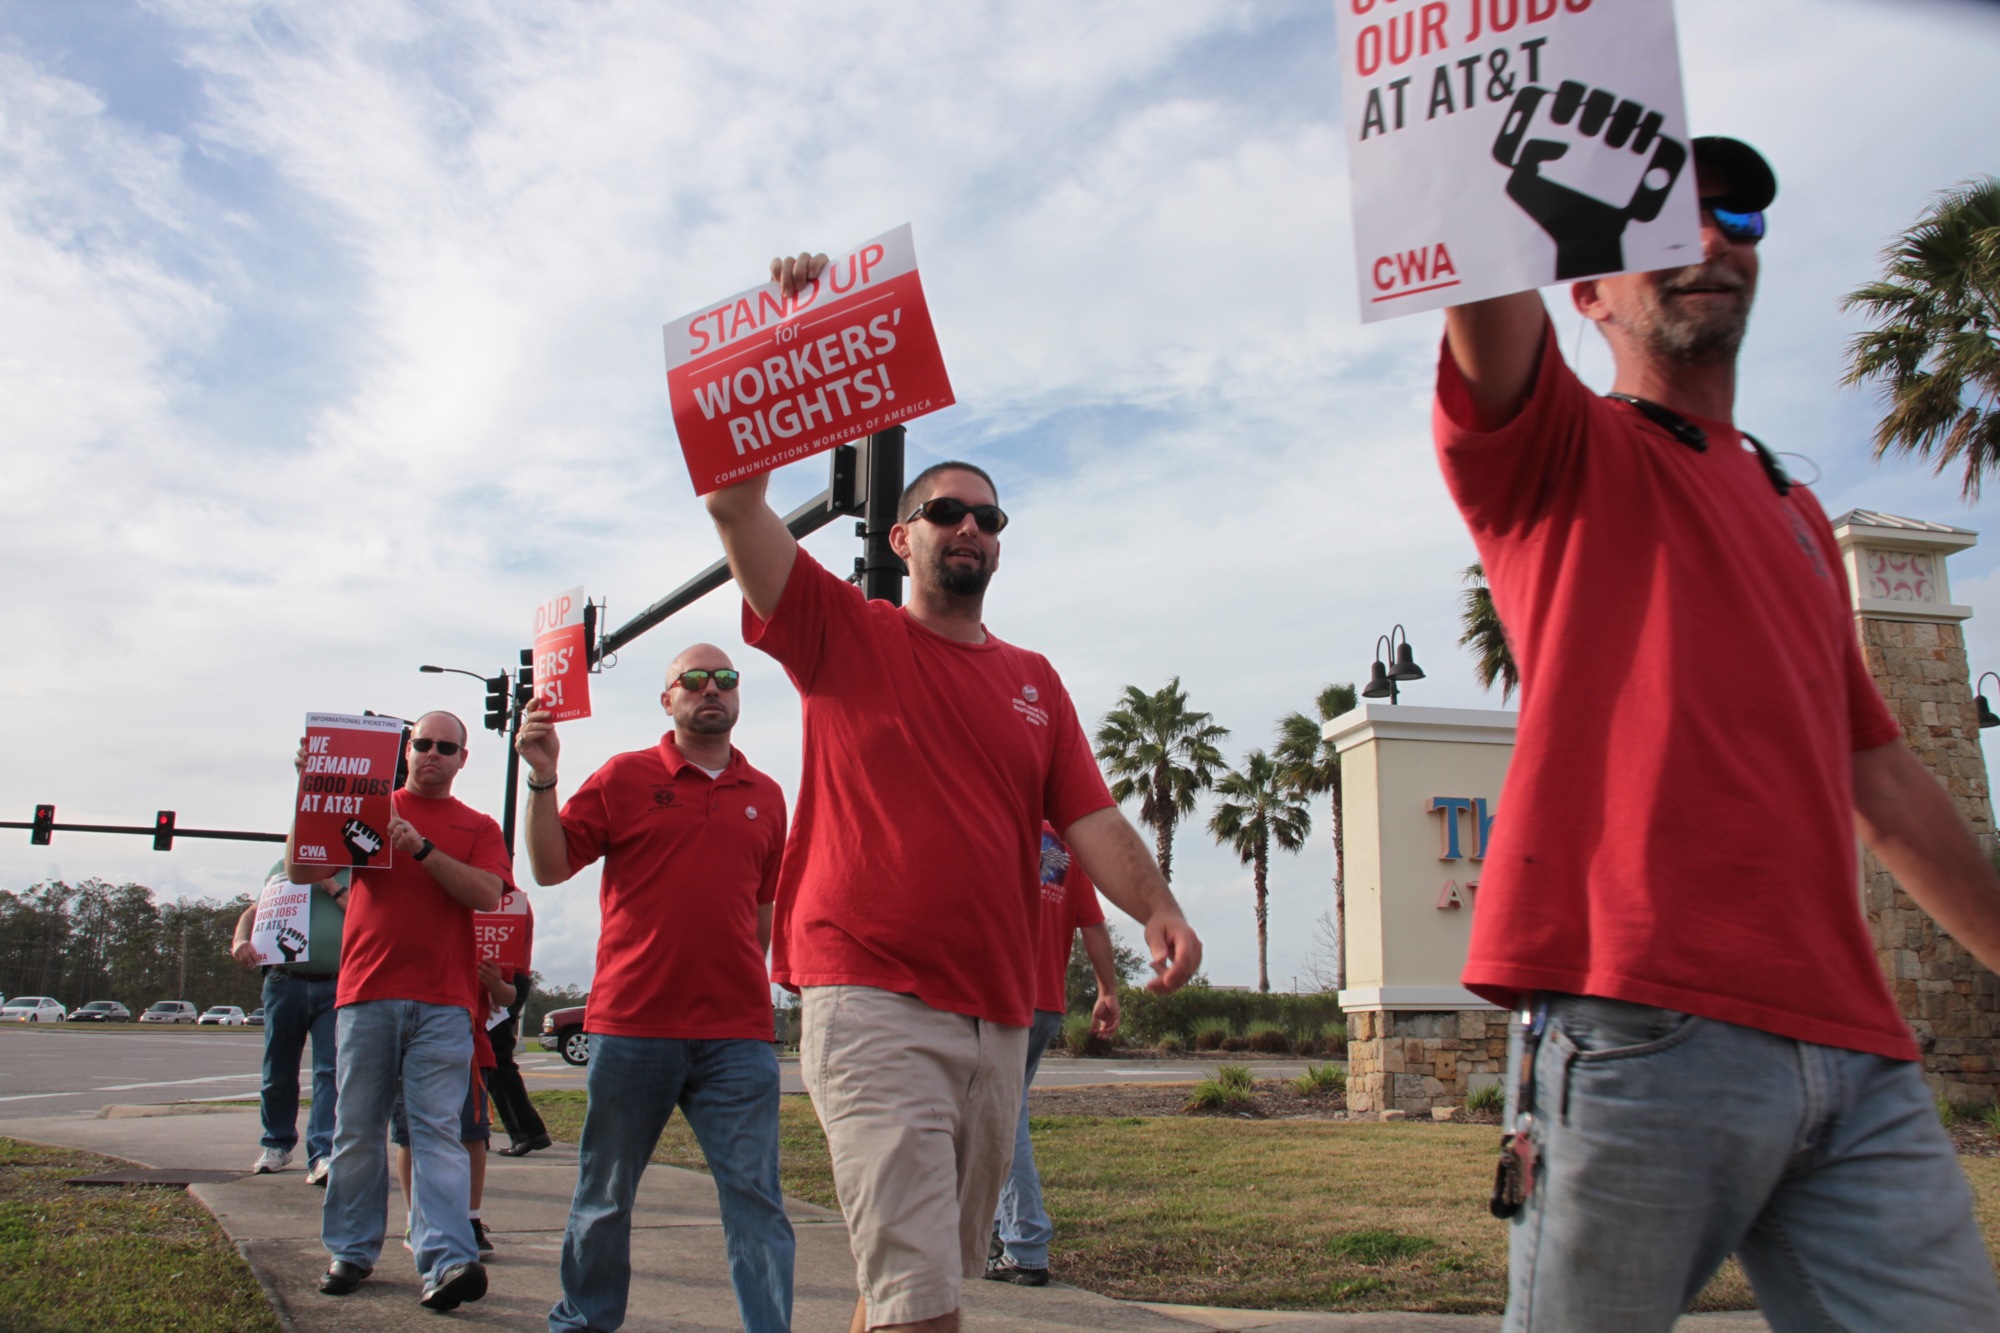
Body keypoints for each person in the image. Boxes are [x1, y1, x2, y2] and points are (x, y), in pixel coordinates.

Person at [1433, 130, 2000, 1328]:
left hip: (1856, 1055)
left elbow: (1881, 776)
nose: (1706, 241)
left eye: (1735, 221)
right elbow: (1480, 304)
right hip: (1636, 1029)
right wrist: (1471, 109)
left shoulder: (1792, 508)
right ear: (1582, 289)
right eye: (1659, 224)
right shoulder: (1556, 450)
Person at [708, 256, 1202, 1333]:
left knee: (909, 1288)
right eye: (944, 510)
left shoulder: (1033, 681)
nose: (969, 528)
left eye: (988, 516)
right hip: (870, 998)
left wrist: (1154, 906)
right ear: (902, 537)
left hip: (997, 1024)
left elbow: (1094, 820)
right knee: (921, 1304)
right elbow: (733, 502)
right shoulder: (842, 630)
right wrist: (785, 345)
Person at [517, 643, 795, 1333]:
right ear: (667, 698)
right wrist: (543, 779)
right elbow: (550, 868)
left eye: (725, 679)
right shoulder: (623, 777)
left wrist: (734, 979)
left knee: (757, 1199)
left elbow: (762, 911)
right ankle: (585, 1319)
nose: (712, 690)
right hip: (633, 1026)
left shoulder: (766, 795)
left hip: (738, 1037)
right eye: (693, 680)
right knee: (605, 1196)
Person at [287, 710, 512, 1312]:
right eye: (422, 744)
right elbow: (302, 868)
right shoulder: (367, 807)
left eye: (446, 746)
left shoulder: (478, 826)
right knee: (356, 1129)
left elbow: (487, 894)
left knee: (437, 1131)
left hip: (444, 1002)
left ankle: (445, 1261)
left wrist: (422, 850)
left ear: (464, 758)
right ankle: (352, 1252)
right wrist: (310, 797)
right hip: (366, 993)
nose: (432, 754)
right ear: (406, 751)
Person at [985, 825, 1120, 1287]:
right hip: (1046, 1003)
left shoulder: (1001, 825)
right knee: (999, 1112)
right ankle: (1001, 1232)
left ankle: (1025, 1243)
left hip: (1002, 997)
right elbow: (1093, 925)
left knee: (1003, 1116)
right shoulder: (1069, 847)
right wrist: (1107, 990)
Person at [229, 859, 349, 1183]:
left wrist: (331, 885)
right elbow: (254, 911)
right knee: (278, 1069)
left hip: (337, 984)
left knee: (331, 1071)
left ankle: (323, 1152)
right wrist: (240, 940)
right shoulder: (283, 867)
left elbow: (367, 920)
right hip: (285, 981)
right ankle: (276, 1144)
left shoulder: (360, 870)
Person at [391, 959, 514, 1260]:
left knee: (473, 1134)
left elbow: (507, 996)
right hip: (411, 1043)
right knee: (410, 1135)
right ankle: (414, 1219)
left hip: (471, 1048)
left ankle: (470, 1218)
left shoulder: (487, 934)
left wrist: (496, 983)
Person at [485, 901, 553, 1157]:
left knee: (494, 1061)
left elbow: (505, 947)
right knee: (489, 1059)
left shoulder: (505, 899)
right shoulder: (511, 898)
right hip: (506, 978)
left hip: (503, 980)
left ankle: (527, 1132)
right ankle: (523, 1131)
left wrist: (498, 982)